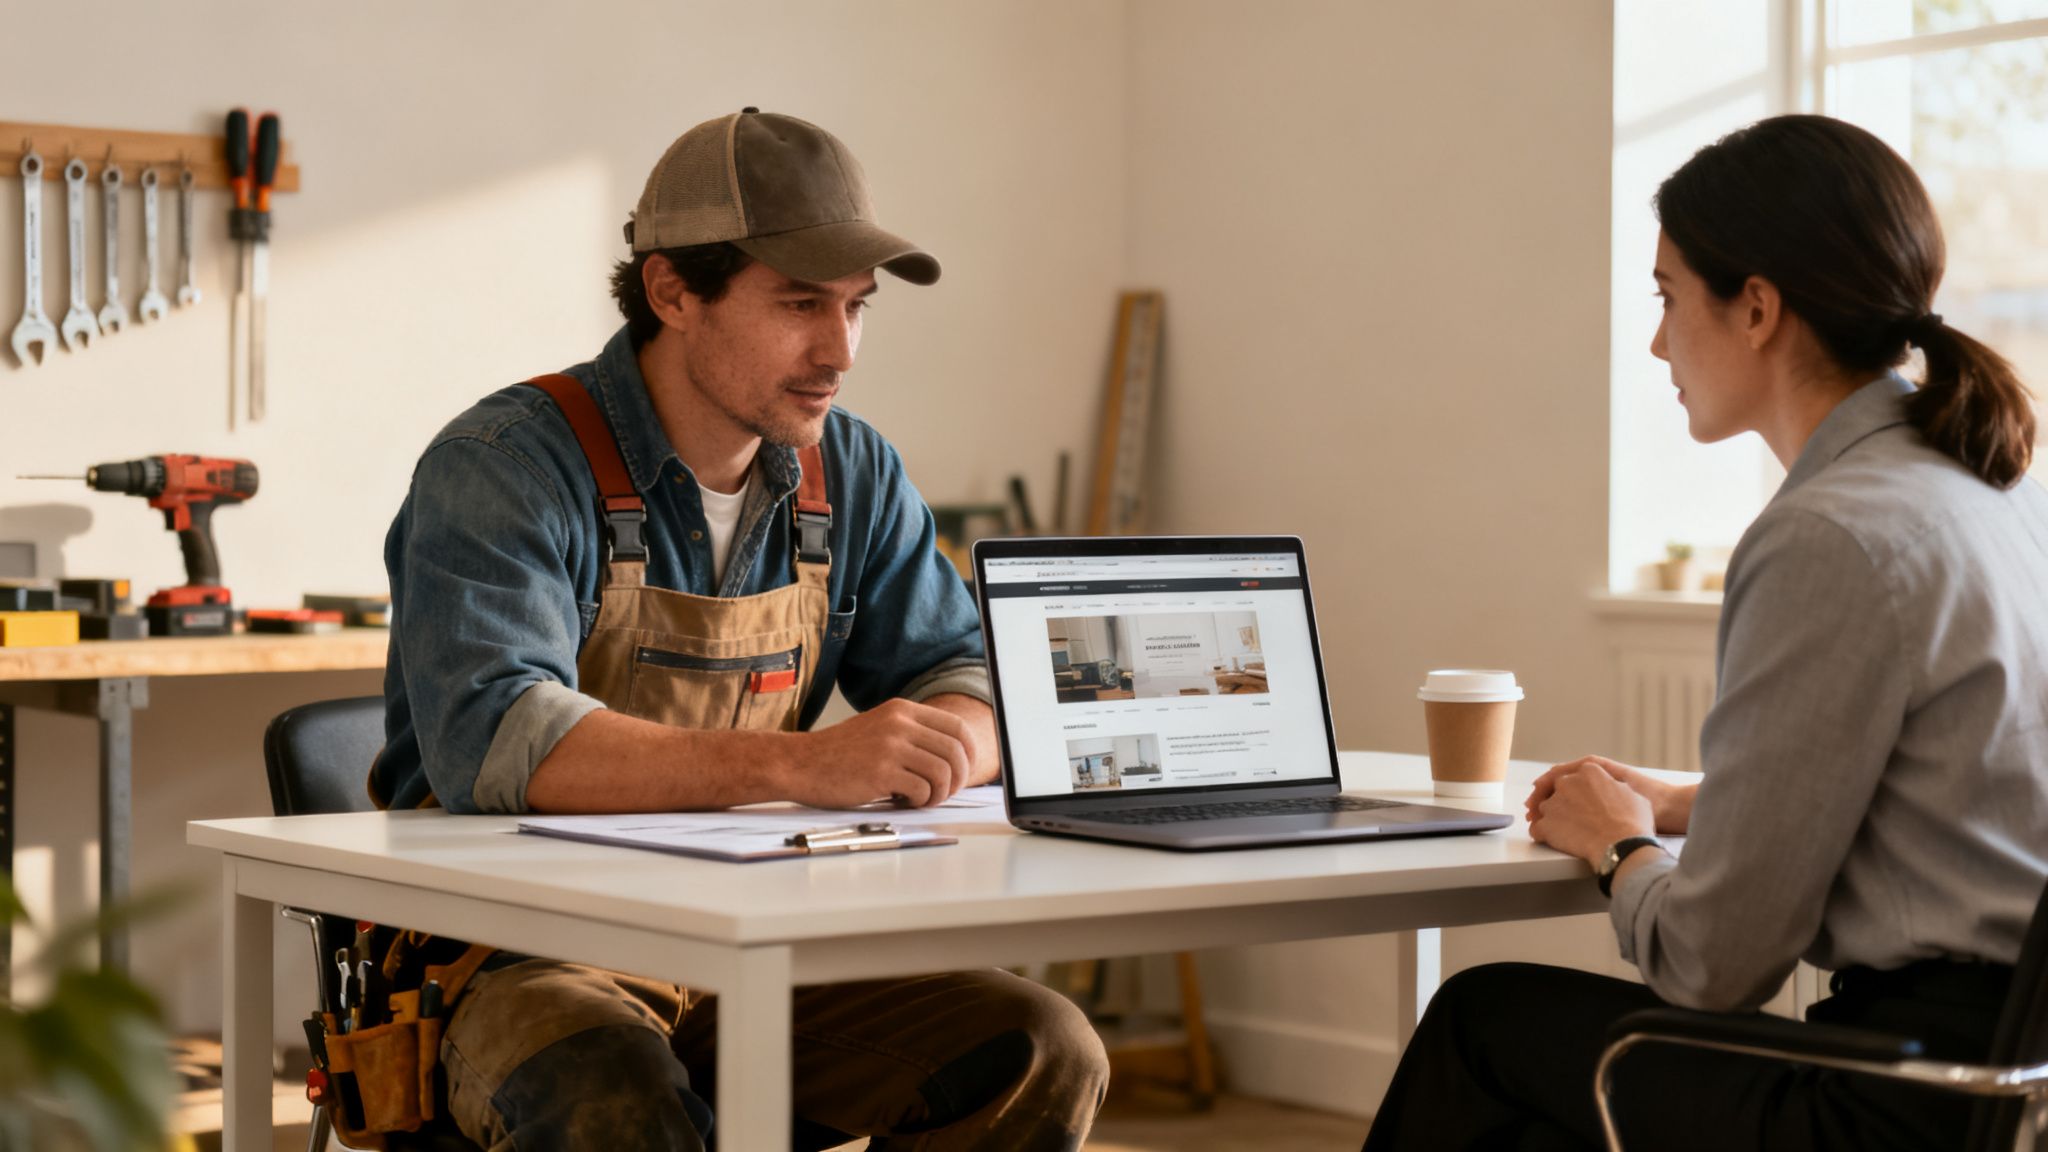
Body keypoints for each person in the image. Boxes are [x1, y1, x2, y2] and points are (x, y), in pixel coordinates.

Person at [374, 108, 1107, 1150]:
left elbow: (969, 667)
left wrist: (960, 737)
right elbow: (498, 737)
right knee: (606, 1088)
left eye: (857, 306)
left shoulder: (850, 469)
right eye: (800, 304)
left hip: (753, 946)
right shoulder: (504, 465)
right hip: (519, 958)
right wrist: (806, 764)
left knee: (1039, 1043)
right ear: (672, 290)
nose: (839, 349)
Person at [1362, 114, 2048, 1150]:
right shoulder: (1994, 495)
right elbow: (1945, 797)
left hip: (1890, 1103)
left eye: (1665, 295)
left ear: (1757, 308)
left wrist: (1615, 845)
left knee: (1480, 1024)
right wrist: (1690, 803)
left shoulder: (1827, 536)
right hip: (2005, 1088)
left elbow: (1711, 965)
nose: (1653, 339)